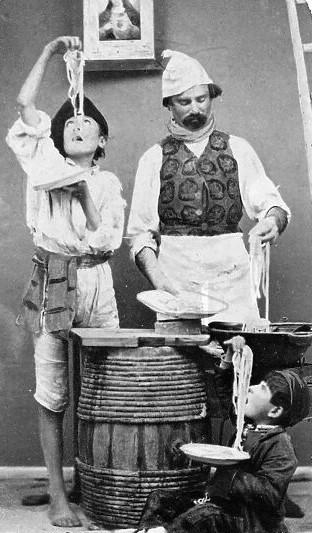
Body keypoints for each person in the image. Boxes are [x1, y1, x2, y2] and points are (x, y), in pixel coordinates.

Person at [6, 36, 125, 527]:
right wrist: (52, 50)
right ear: (56, 139)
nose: (77, 126)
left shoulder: (110, 182)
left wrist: (83, 196)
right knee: (52, 392)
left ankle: (88, 481)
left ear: (101, 141)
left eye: (87, 124)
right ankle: (57, 492)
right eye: (69, 124)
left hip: (97, 282)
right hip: (53, 278)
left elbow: (107, 238)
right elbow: (24, 104)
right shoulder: (42, 168)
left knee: (102, 386)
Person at [127, 50, 290, 324]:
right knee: (182, 362)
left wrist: (273, 220)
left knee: (236, 355)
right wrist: (159, 280)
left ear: (212, 98)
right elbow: (140, 234)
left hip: (231, 274)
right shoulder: (153, 158)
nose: (195, 108)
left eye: (201, 99)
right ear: (169, 105)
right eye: (185, 101)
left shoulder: (238, 148)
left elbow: (270, 201)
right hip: (176, 275)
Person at [136, 336, 310, 533]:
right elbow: (228, 390)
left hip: (251, 522)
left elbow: (270, 495)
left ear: (275, 411)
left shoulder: (279, 445)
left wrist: (231, 474)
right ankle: (148, 530)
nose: (249, 388)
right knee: (159, 499)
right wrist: (228, 357)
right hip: (223, 504)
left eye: (260, 388)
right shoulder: (245, 422)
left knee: (204, 515)